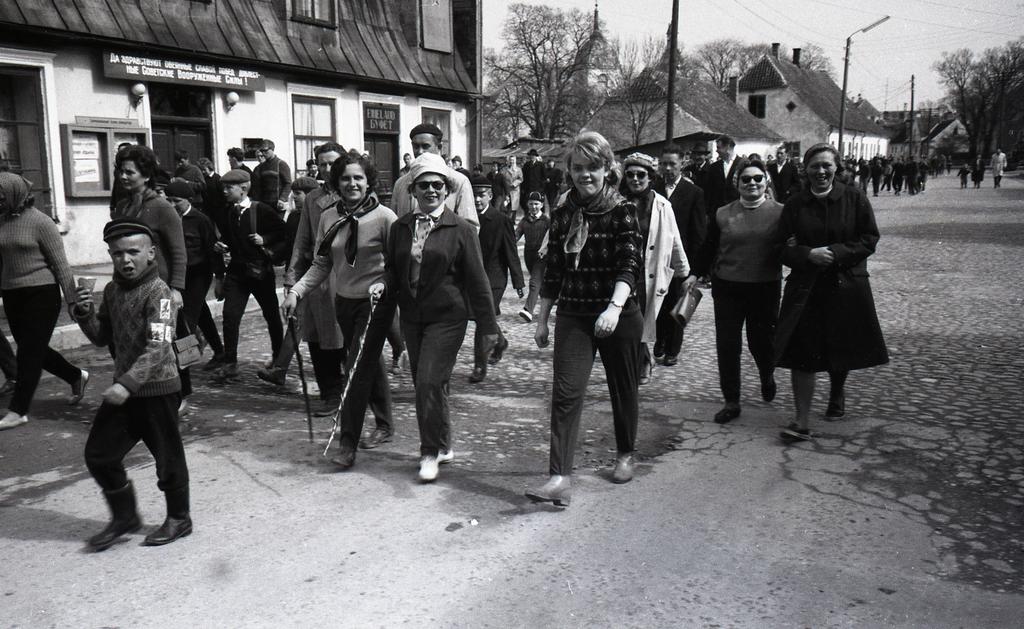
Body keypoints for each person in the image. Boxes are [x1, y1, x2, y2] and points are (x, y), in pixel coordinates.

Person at [525, 131, 643, 507]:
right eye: (577, 168)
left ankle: (625, 452)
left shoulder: (623, 210)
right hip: (574, 314)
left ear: (607, 169)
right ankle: (559, 477)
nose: (584, 175)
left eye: (592, 167)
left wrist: (613, 308)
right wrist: (543, 319)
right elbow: (554, 270)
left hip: (619, 314)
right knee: (565, 394)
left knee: (622, 388)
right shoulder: (562, 214)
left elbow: (629, 264)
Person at [367, 152, 498, 482]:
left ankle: (429, 452)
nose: (431, 191)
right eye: (423, 185)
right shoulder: (401, 228)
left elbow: (478, 281)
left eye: (438, 185)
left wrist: (489, 327)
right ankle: (444, 444)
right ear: (413, 190)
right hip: (413, 317)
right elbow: (394, 271)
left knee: (427, 380)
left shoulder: (462, 229)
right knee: (429, 383)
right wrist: (383, 284)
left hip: (448, 317)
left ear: (447, 189)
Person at [73, 218, 192, 550]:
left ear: (151, 254)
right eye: (117, 254)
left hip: (157, 390)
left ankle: (180, 518)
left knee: (168, 459)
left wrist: (126, 383)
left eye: (133, 252)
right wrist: (84, 315)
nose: (125, 260)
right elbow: (101, 338)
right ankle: (125, 516)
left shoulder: (160, 293)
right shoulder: (112, 291)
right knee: (99, 455)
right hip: (125, 390)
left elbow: (159, 347)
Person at [282, 154, 397, 467]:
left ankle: (347, 443)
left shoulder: (385, 217)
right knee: (365, 359)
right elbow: (322, 262)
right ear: (336, 183)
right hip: (343, 301)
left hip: (375, 303)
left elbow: (398, 266)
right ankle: (385, 424)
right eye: (346, 178)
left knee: (356, 365)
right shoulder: (328, 216)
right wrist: (296, 291)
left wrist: (383, 284)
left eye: (358, 178)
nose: (352, 184)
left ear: (369, 181)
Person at [774, 144, 889, 442]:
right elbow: (779, 247)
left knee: (841, 345)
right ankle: (801, 420)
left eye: (826, 165)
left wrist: (837, 253)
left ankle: (837, 392)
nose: (821, 171)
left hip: (845, 284)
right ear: (806, 169)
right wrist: (807, 254)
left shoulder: (854, 198)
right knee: (802, 353)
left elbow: (869, 239)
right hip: (805, 287)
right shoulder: (795, 204)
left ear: (837, 167)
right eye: (814, 166)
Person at [691, 159, 783, 424]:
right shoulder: (723, 213)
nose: (752, 183)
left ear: (766, 181)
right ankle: (731, 400)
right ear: (737, 184)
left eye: (757, 178)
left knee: (761, 343)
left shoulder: (780, 212)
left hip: (764, 288)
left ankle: (767, 375)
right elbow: (709, 247)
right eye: (746, 179)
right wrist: (694, 274)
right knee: (728, 346)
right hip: (728, 287)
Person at [0, 172, 89, 431]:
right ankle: (75, 375)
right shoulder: (2, 220)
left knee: (28, 352)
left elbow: (61, 264)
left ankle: (18, 410)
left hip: (42, 293)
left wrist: (73, 301)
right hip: (12, 293)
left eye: (1, 197)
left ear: (15, 194)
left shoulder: (42, 223)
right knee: (34, 349)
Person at [111, 145, 190, 406]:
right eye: (120, 172)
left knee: (176, 340)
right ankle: (138, 387)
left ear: (145, 175)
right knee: (133, 338)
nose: (123, 177)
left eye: (129, 172)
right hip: (130, 286)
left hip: (162, 286)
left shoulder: (162, 207)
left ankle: (183, 394)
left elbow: (179, 251)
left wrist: (176, 288)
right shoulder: (122, 206)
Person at [277, 144, 346, 413]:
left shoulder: (355, 192)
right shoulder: (313, 198)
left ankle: (351, 389)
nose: (327, 169)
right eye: (322, 164)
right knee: (317, 336)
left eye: (332, 163)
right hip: (318, 277)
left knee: (346, 337)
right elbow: (302, 239)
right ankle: (329, 392)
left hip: (350, 276)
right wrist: (290, 278)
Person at [619, 153, 690, 386]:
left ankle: (643, 360)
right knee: (624, 320)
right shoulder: (616, 201)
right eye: (630, 174)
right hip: (620, 271)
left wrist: (683, 272)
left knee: (640, 320)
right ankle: (637, 360)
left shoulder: (662, 205)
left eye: (641, 175)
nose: (635, 179)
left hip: (647, 271)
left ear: (650, 177)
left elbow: (675, 238)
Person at [216, 169, 288, 380]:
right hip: (237, 273)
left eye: (229, 187)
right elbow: (229, 238)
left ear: (244, 188)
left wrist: (264, 240)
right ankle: (230, 363)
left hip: (260, 272)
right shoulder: (229, 211)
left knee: (272, 315)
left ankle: (278, 358)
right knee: (230, 316)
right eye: (224, 187)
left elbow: (283, 233)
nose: (225, 191)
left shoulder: (261, 210)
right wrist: (222, 245)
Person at [163, 181, 225, 376]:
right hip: (176, 275)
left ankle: (185, 363)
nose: (172, 205)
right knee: (202, 314)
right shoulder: (166, 218)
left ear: (189, 200)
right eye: (169, 200)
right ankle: (220, 351)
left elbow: (213, 250)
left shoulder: (201, 220)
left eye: (177, 201)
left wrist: (220, 278)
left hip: (198, 274)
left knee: (185, 317)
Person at [653, 144, 707, 367]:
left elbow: (698, 233)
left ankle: (673, 348)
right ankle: (660, 340)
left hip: (681, 260)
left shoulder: (694, 192)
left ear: (682, 163)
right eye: (663, 164)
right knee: (658, 303)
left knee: (677, 304)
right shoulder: (653, 188)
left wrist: (695, 271)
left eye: (672, 164)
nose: (667, 168)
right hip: (656, 258)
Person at [468, 174, 524, 384]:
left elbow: (511, 252)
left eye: (481, 195)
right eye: (473, 196)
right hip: (473, 277)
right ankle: (500, 341)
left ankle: (479, 366)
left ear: (490, 195)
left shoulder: (501, 220)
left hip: (494, 278)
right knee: (483, 317)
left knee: (483, 320)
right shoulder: (466, 219)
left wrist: (518, 281)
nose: (477, 200)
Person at [390, 124, 478, 227]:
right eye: (416, 146)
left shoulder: (459, 181)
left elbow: (470, 228)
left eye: (425, 146)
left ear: (439, 147)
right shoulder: (401, 183)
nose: (420, 151)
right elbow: (394, 224)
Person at [515, 192, 550, 323]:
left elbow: (552, 237)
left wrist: (547, 249)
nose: (533, 207)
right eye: (531, 204)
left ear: (541, 205)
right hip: (528, 254)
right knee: (538, 283)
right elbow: (516, 235)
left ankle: (528, 310)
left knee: (534, 282)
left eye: (536, 204)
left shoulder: (546, 221)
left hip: (542, 254)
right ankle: (551, 299)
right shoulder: (525, 221)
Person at [250, 140, 292, 216]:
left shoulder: (281, 164)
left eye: (265, 151)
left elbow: (288, 183)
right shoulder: (261, 167)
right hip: (264, 204)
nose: (263, 153)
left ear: (272, 149)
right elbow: (258, 186)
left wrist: (282, 199)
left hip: (277, 204)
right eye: (261, 151)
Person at [704, 135, 741, 221]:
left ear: (727, 147)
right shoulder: (714, 167)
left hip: (737, 212)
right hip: (717, 213)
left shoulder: (743, 164)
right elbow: (709, 191)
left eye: (718, 147)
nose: (716, 150)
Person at [506, 154, 523, 221]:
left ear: (515, 161)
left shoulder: (518, 169)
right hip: (507, 190)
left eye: (513, 160)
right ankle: (508, 221)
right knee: (507, 206)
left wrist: (514, 183)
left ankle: (512, 221)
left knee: (514, 207)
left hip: (515, 190)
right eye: (510, 160)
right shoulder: (505, 169)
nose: (511, 162)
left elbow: (521, 179)